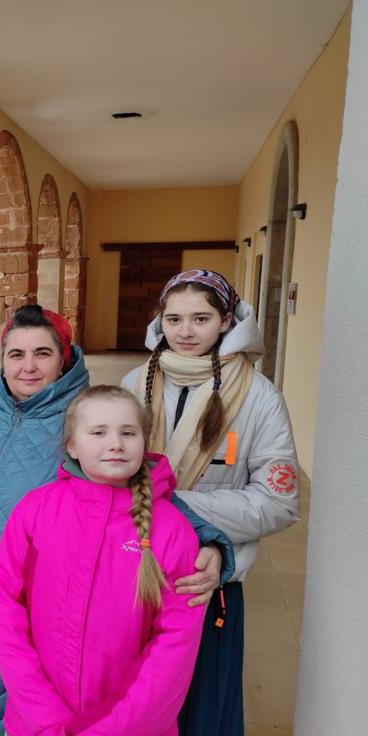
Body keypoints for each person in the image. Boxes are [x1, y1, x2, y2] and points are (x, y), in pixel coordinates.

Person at [0, 305, 233, 735]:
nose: (28, 366)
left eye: (42, 353)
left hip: (35, 631)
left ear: (65, 357)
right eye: (16, 354)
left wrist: (211, 543)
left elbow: (140, 493)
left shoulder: (88, 422)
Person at [121, 269, 300, 736]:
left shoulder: (259, 397)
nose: (185, 332)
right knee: (133, 701)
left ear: (226, 321)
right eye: (174, 318)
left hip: (207, 576)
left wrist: (186, 518)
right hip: (135, 568)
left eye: (200, 318)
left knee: (200, 707)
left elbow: (279, 499)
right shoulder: (134, 382)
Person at [0, 385, 207, 735]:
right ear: (72, 445)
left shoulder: (171, 531)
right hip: (36, 724)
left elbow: (174, 647)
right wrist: (46, 720)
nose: (116, 443)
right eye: (98, 432)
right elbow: (6, 609)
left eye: (128, 432)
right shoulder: (35, 511)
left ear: (144, 441)